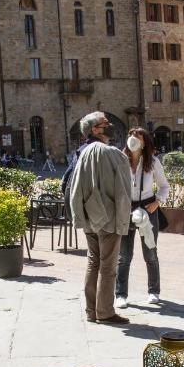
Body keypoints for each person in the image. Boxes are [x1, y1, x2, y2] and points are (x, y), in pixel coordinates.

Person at [69, 111, 132, 325]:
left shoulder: (83, 152)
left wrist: (81, 215)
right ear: (95, 129)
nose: (110, 124)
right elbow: (123, 191)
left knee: (93, 262)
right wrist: (125, 220)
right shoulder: (111, 153)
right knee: (107, 267)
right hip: (109, 219)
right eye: (105, 123)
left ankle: (91, 311)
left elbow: (71, 186)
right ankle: (104, 312)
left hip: (90, 216)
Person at [115, 128, 169, 307]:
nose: (133, 139)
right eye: (131, 136)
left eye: (137, 137)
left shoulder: (153, 162)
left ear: (144, 142)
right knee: (124, 256)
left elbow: (163, 186)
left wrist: (157, 202)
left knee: (150, 253)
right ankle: (120, 294)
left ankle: (154, 291)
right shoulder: (121, 160)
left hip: (148, 208)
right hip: (126, 209)